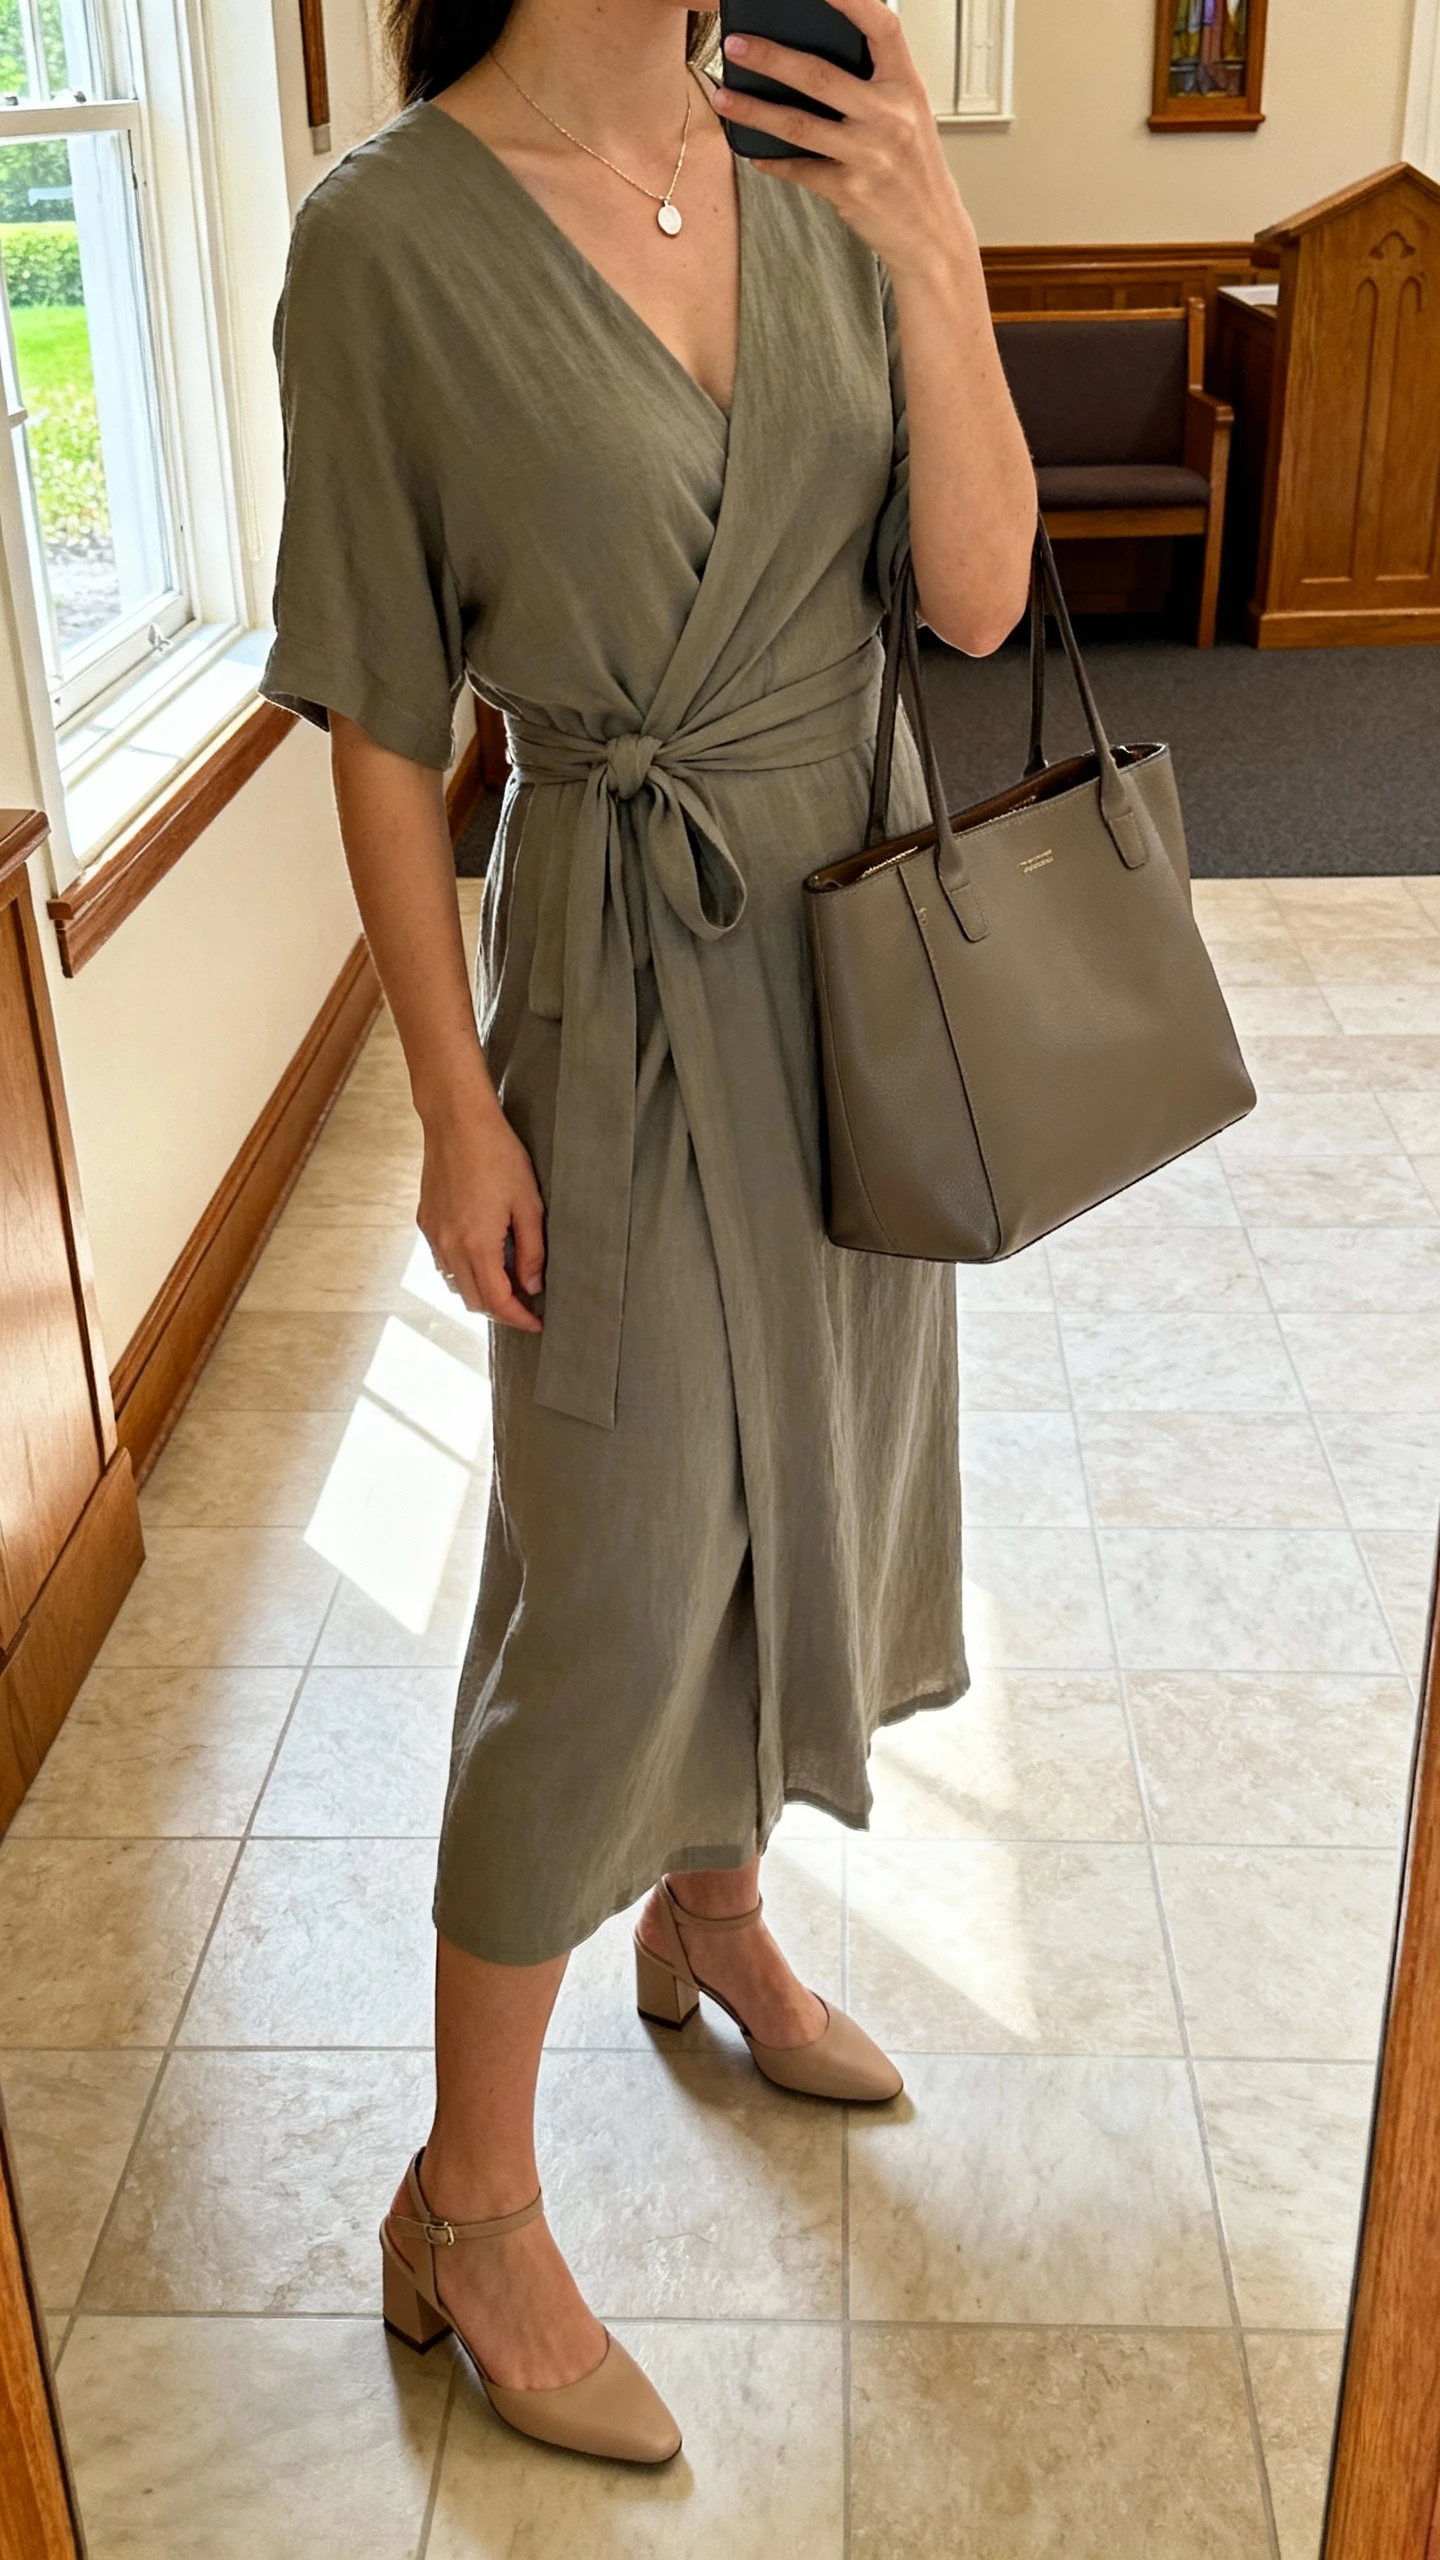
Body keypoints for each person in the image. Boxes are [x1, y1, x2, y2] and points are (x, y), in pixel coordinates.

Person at [260, 0, 1035, 2466]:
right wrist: (454, 1102)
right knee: (600, 1587)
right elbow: (385, 730)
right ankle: (466, 2202)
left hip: (853, 957)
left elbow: (987, 595)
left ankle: (712, 1924)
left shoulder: (815, 155)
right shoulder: (381, 244)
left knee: (806, 1470)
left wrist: (937, 245)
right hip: (615, 971)